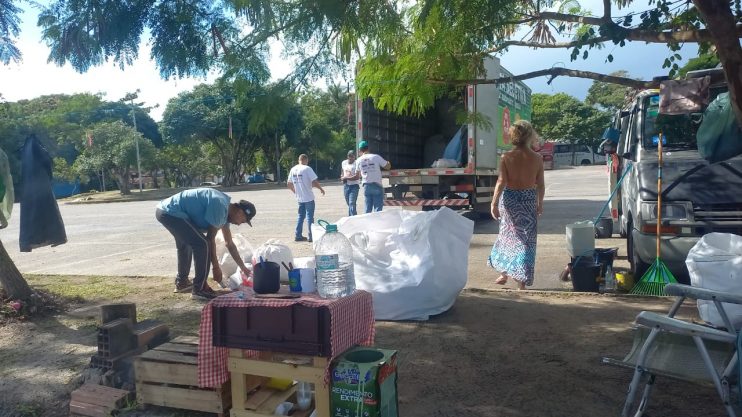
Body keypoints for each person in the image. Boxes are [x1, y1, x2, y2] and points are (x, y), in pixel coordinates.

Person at [156, 188, 256, 300]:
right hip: (170, 212)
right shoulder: (220, 205)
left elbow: (229, 244)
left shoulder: (225, 213)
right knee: (203, 244)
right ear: (240, 212)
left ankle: (182, 283)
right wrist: (216, 267)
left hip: (167, 211)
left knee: (188, 243)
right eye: (242, 221)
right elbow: (210, 239)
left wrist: (243, 268)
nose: (239, 224)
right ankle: (199, 289)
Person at [488, 120, 545, 290]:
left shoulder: (506, 157)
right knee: (526, 240)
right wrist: (540, 203)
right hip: (528, 200)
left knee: (507, 236)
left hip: (510, 200)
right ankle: (521, 283)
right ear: (530, 136)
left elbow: (501, 182)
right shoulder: (537, 158)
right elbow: (540, 184)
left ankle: (504, 273)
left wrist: (494, 203)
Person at [288, 154, 325, 242]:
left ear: (299, 160)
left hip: (300, 198)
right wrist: (321, 188)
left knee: (300, 216)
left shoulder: (293, 169)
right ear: (306, 160)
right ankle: (311, 236)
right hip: (308, 197)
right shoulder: (307, 168)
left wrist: (296, 192)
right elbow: (314, 181)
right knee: (310, 217)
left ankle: (298, 235)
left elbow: (289, 184)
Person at [353, 140, 390, 213]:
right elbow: (387, 166)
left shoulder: (358, 160)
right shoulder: (376, 157)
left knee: (367, 209)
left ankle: (367, 223)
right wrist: (388, 162)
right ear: (368, 148)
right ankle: (377, 223)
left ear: (360, 150)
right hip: (377, 185)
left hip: (366, 186)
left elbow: (357, 175)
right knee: (378, 210)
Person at [340, 150, 360, 216]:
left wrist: (346, 178)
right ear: (347, 156)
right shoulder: (344, 162)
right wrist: (342, 176)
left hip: (354, 186)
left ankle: (354, 219)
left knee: (351, 203)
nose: (351, 158)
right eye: (349, 156)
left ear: (355, 157)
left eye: (352, 156)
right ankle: (351, 217)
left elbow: (357, 177)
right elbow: (342, 171)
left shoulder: (357, 163)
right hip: (346, 186)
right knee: (349, 203)